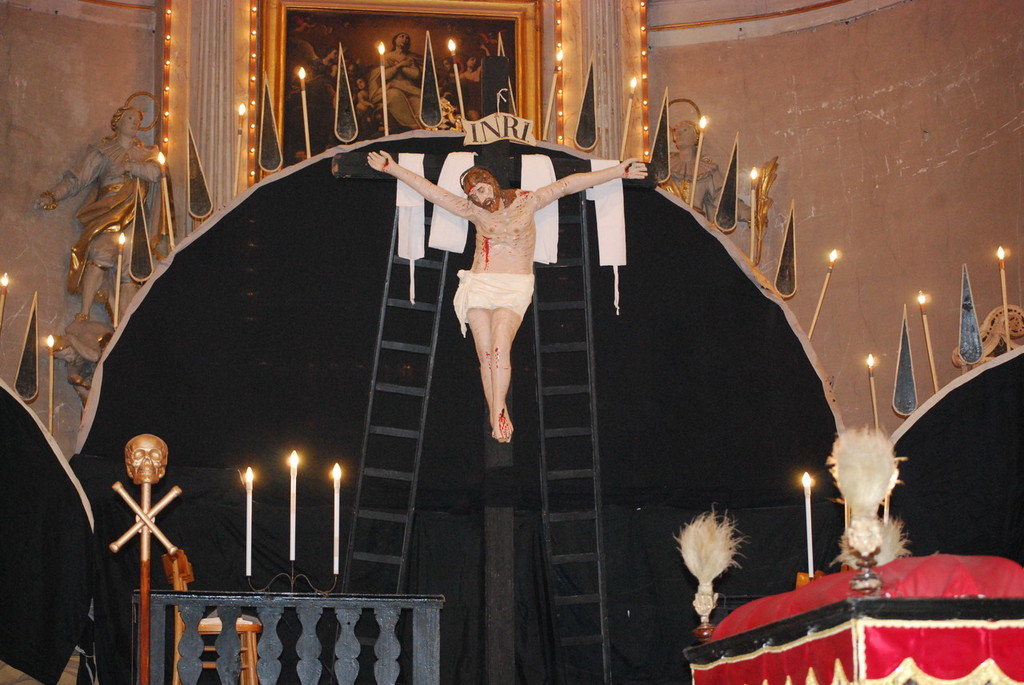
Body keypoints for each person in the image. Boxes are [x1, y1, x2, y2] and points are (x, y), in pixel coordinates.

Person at [367, 149, 648, 442]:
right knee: (486, 352)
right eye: (473, 194)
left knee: (501, 342)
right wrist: (392, 168)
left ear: (492, 183)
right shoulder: (473, 211)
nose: (479, 197)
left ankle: (498, 409)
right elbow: (432, 192)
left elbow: (569, 184)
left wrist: (618, 171)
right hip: (480, 283)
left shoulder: (527, 201)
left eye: (481, 189)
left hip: (514, 286)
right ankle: (497, 414)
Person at [36, 105, 161, 322]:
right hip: (107, 210)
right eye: (130, 118)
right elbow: (78, 179)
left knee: (129, 268)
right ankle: (83, 314)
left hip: (135, 213)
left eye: (138, 120)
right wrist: (53, 195)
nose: (135, 122)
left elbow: (156, 173)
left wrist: (129, 167)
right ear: (118, 122)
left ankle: (125, 323)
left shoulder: (147, 153)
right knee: (99, 251)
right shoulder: (102, 151)